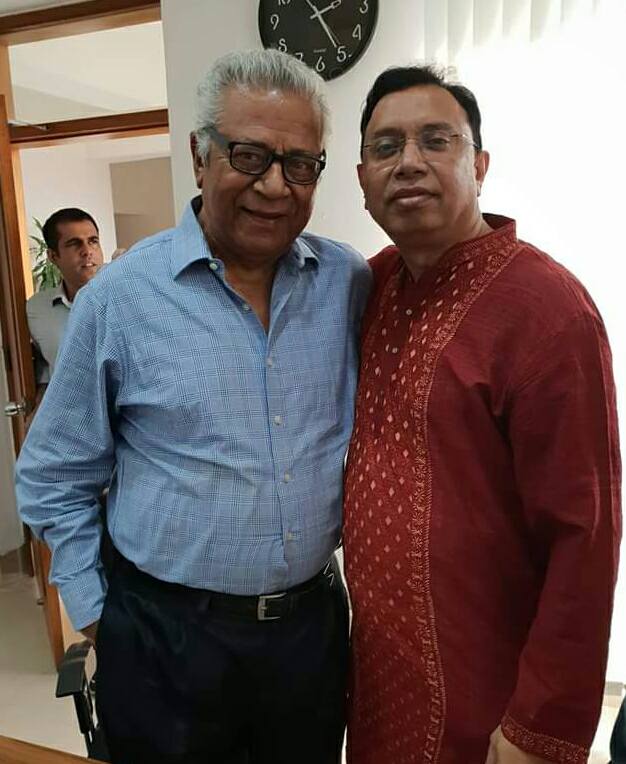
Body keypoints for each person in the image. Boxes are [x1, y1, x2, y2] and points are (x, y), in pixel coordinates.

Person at [16, 49, 371, 764]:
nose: (275, 185)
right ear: (198, 156)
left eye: (301, 164)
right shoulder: (120, 299)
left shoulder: (347, 282)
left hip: (309, 635)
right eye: (250, 155)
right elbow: (53, 474)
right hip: (165, 637)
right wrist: (98, 613)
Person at [343, 64, 621, 764]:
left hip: (491, 698)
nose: (409, 161)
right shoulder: (370, 287)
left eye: (437, 140)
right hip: (379, 682)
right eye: (386, 147)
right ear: (362, 180)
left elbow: (585, 537)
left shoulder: (547, 310)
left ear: (480, 165)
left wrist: (538, 724)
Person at [26, 208, 103, 388]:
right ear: (53, 256)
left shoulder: (128, 296)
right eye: (74, 244)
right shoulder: (36, 309)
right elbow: (45, 375)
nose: (87, 251)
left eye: (93, 241)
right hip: (71, 405)